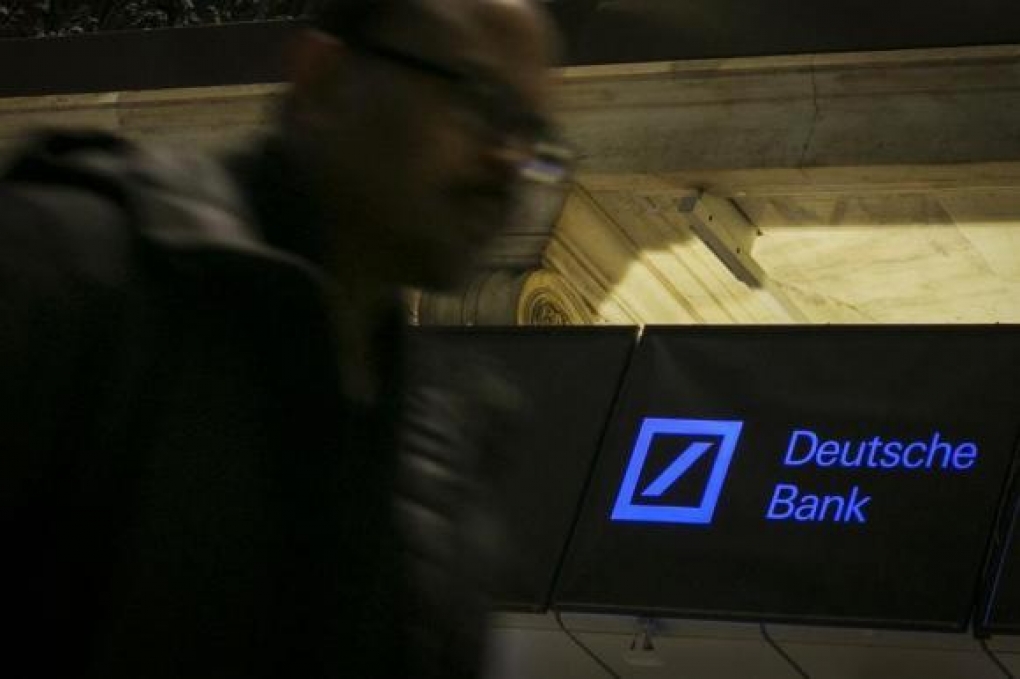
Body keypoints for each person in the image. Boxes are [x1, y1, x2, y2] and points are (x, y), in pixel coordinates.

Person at [0, 0, 565, 677]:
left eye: (532, 135)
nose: (509, 161)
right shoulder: (67, 272)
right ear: (324, 80)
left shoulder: (440, 433)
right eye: (480, 102)